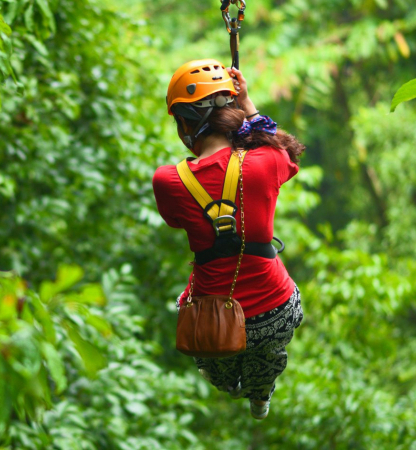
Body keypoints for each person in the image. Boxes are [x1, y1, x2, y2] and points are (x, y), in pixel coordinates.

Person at [152, 59, 305, 420]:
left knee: (217, 365)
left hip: (210, 318)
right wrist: (247, 104)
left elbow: (176, 221)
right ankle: (262, 388)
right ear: (231, 115)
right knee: (268, 352)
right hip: (276, 310)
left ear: (186, 125)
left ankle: (234, 385)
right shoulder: (266, 161)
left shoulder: (168, 181)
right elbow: (284, 151)